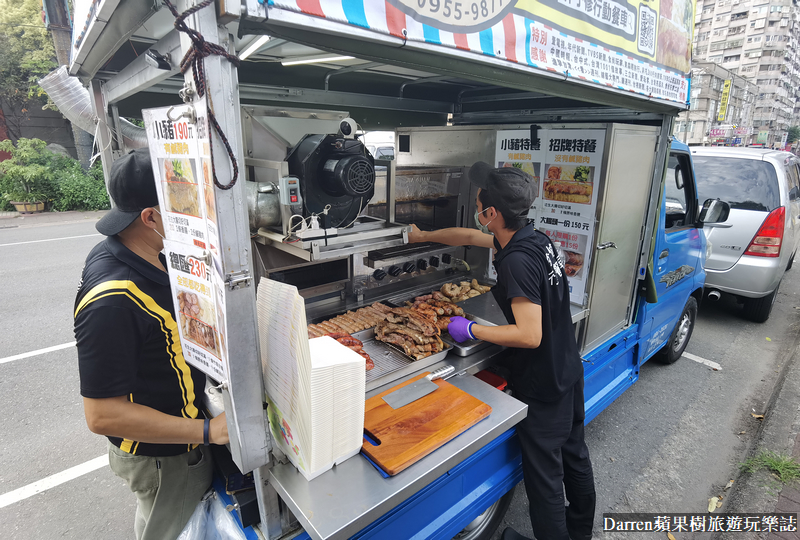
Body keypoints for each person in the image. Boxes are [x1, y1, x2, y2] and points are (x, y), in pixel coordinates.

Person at [408, 162, 596, 540]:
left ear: (491, 213)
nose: (476, 208)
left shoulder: (517, 260)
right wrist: (421, 235)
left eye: (479, 203)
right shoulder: (533, 238)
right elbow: (471, 237)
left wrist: (471, 328)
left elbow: (529, 336)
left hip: (543, 383)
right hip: (566, 368)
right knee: (575, 456)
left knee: (545, 479)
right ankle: (580, 534)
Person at [74, 148, 229, 540]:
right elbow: (102, 415)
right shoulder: (114, 298)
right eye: (185, 206)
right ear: (150, 217)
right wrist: (209, 432)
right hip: (164, 458)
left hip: (177, 438)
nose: (196, 215)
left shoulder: (136, 249)